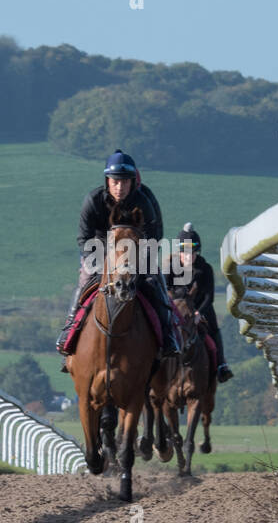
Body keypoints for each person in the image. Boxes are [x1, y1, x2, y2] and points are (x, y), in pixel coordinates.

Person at [55, 151, 180, 368]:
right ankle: (69, 332)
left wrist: (135, 262)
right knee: (85, 281)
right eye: (115, 182)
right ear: (107, 182)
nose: (120, 187)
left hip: (136, 254)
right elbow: (83, 238)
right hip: (98, 253)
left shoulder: (144, 201)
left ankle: (168, 336)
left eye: (124, 182)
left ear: (132, 182)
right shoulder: (93, 200)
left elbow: (155, 235)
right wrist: (102, 263)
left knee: (156, 282)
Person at [169, 223, 233, 383]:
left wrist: (199, 313)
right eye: (186, 253)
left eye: (193, 252)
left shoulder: (206, 269)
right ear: (180, 252)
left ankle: (221, 364)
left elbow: (208, 297)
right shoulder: (170, 269)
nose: (190, 256)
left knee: (213, 330)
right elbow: (166, 292)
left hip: (200, 309)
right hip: (177, 311)